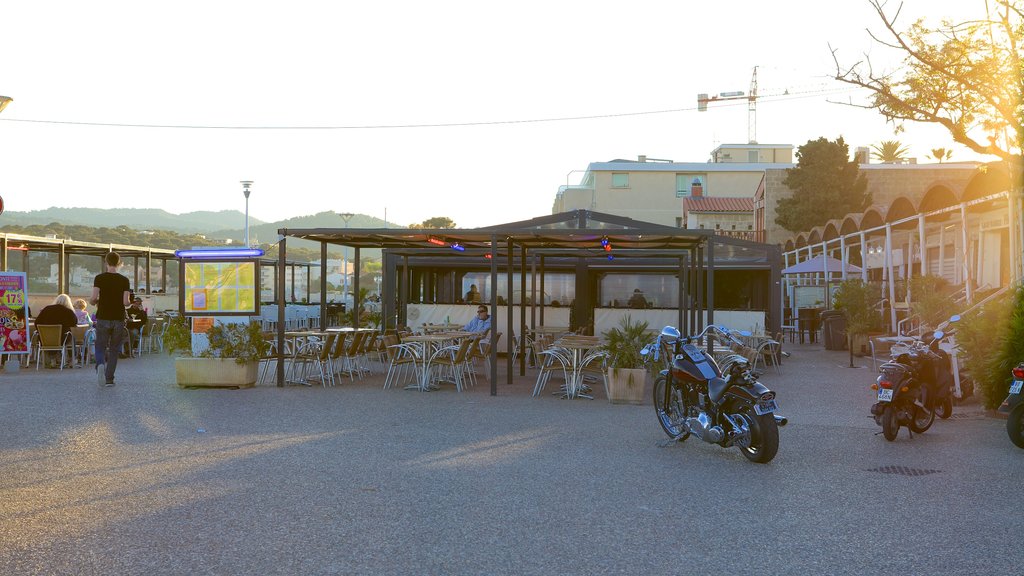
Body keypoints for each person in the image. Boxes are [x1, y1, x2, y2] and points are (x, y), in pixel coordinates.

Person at [90, 251, 130, 387]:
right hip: (118, 318)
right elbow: (125, 302)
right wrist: (129, 302)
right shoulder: (124, 280)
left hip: (103, 317)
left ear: (106, 262)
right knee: (114, 349)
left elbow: (93, 298)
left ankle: (100, 364)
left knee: (100, 345)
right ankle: (109, 378)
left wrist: (94, 302)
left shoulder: (99, 278)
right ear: (119, 263)